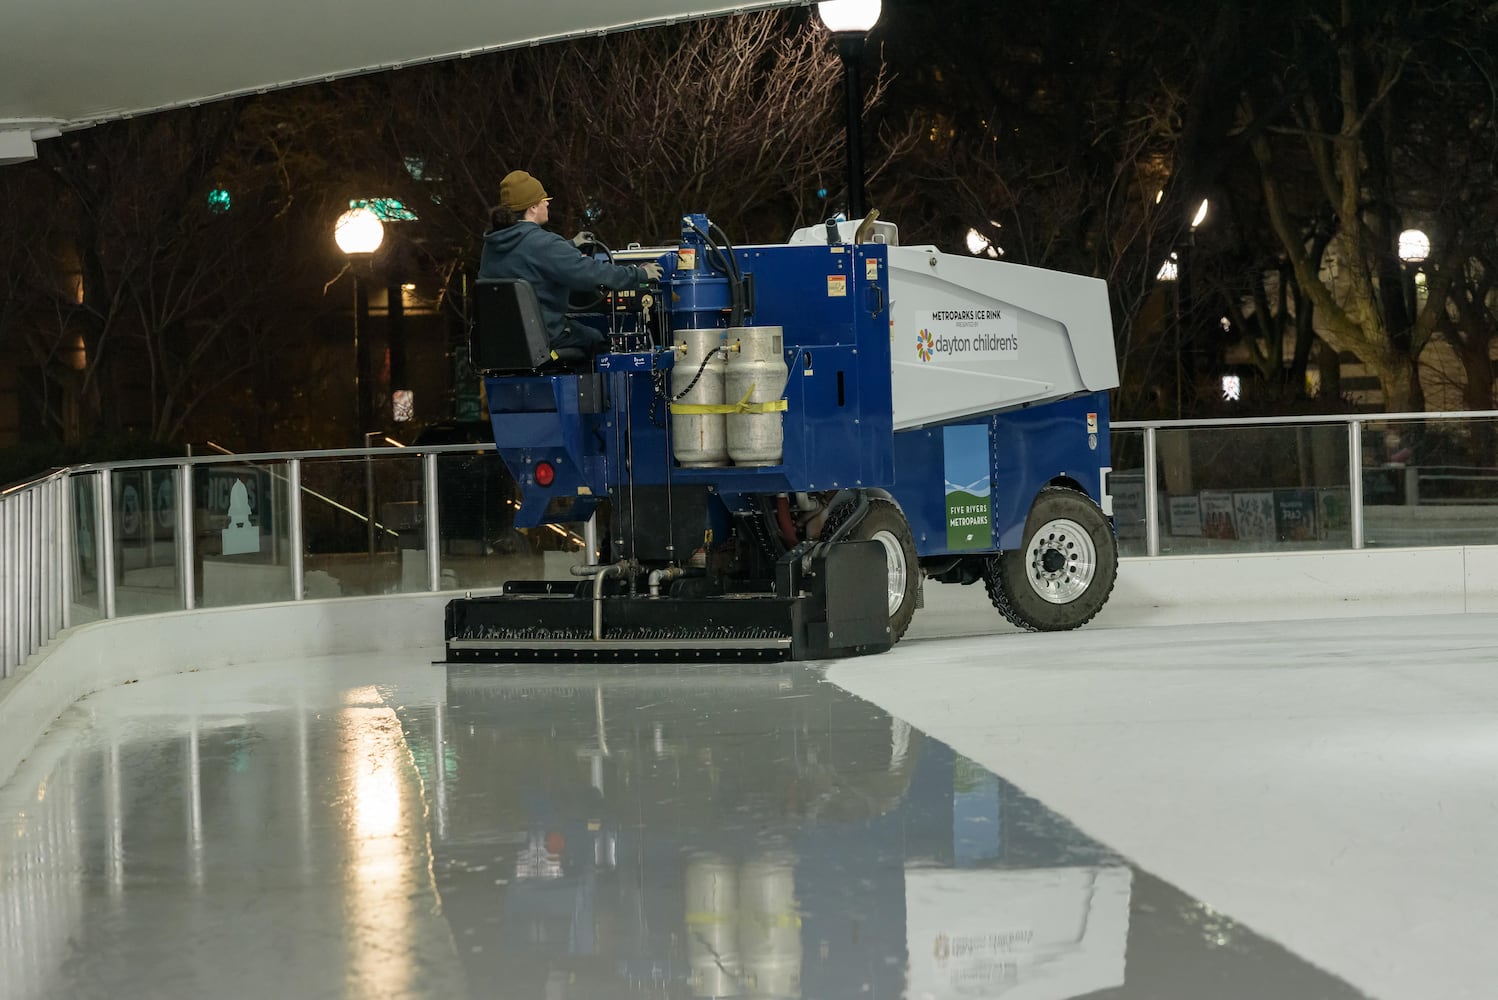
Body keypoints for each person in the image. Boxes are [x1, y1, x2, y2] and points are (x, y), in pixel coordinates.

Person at [479, 170, 661, 353]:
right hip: (545, 339)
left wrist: (571, 245)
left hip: (499, 345)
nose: (547, 204)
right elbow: (590, 274)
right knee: (597, 340)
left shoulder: (492, 245)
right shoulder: (544, 243)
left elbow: (526, 256)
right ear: (533, 207)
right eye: (544, 200)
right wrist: (639, 274)